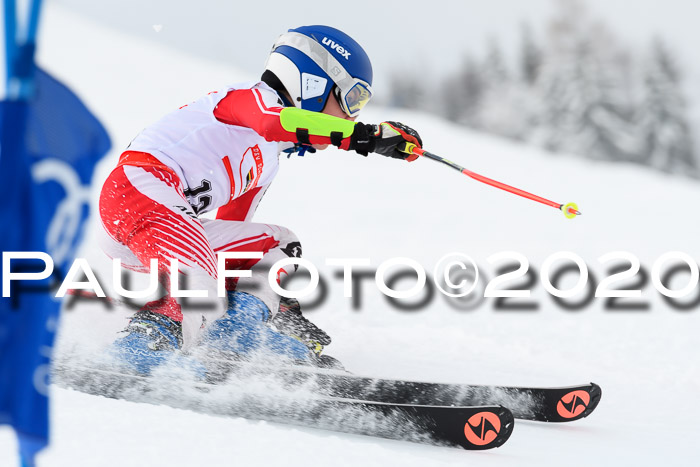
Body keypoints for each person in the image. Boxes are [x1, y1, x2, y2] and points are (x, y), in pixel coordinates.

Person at [99, 25, 423, 374]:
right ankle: (135, 352)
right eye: (352, 99)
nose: (351, 116)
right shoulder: (247, 99)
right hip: (135, 193)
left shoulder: (267, 162)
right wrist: (365, 137)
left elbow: (234, 238)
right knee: (198, 279)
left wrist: (272, 307)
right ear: (312, 82)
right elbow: (272, 122)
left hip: (168, 226)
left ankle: (233, 339)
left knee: (279, 245)